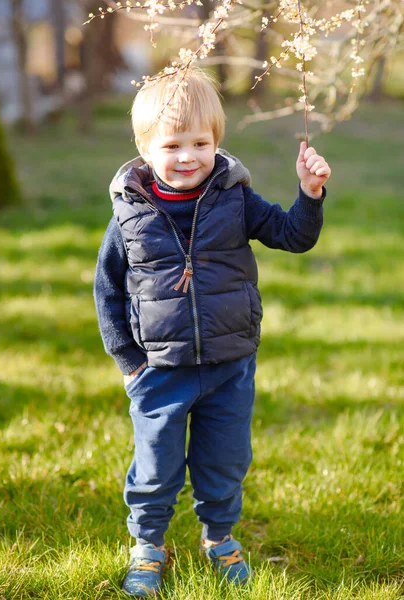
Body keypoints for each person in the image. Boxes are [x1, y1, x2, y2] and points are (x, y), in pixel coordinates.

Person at [94, 67, 331, 597]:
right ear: (145, 149)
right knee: (155, 469)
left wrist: (309, 194)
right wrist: (129, 362)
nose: (188, 157)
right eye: (173, 144)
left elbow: (292, 236)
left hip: (229, 365)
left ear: (216, 142)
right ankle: (148, 546)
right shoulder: (130, 215)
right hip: (159, 371)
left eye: (201, 143)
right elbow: (106, 290)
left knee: (224, 461)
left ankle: (219, 538)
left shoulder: (233, 198)